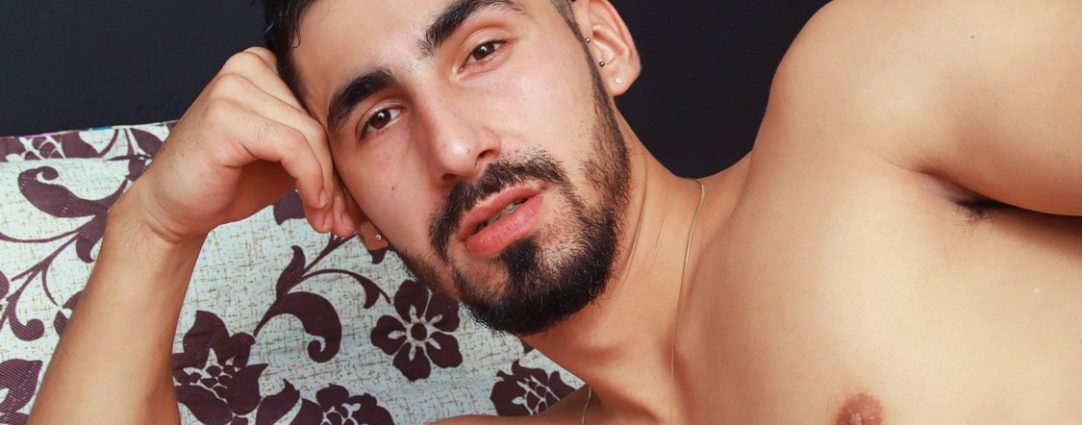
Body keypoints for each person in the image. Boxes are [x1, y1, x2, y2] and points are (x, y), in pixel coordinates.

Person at [28, 0, 1082, 423]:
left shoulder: (871, 99)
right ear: (348, 204)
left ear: (602, 43)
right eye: (379, 118)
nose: (454, 149)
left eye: (482, 49)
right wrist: (153, 226)